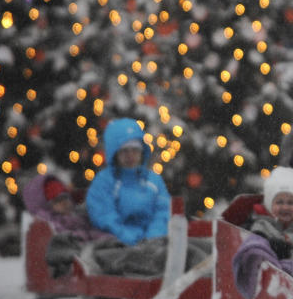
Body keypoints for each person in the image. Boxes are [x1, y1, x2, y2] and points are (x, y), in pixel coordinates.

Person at [85, 118, 209, 275]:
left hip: (155, 239)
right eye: (124, 151)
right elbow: (103, 215)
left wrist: (154, 234)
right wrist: (128, 235)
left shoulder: (153, 180)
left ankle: (208, 270)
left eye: (135, 150)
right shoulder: (104, 182)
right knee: (151, 257)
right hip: (118, 243)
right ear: (115, 153)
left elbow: (163, 211)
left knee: (193, 247)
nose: (131, 155)